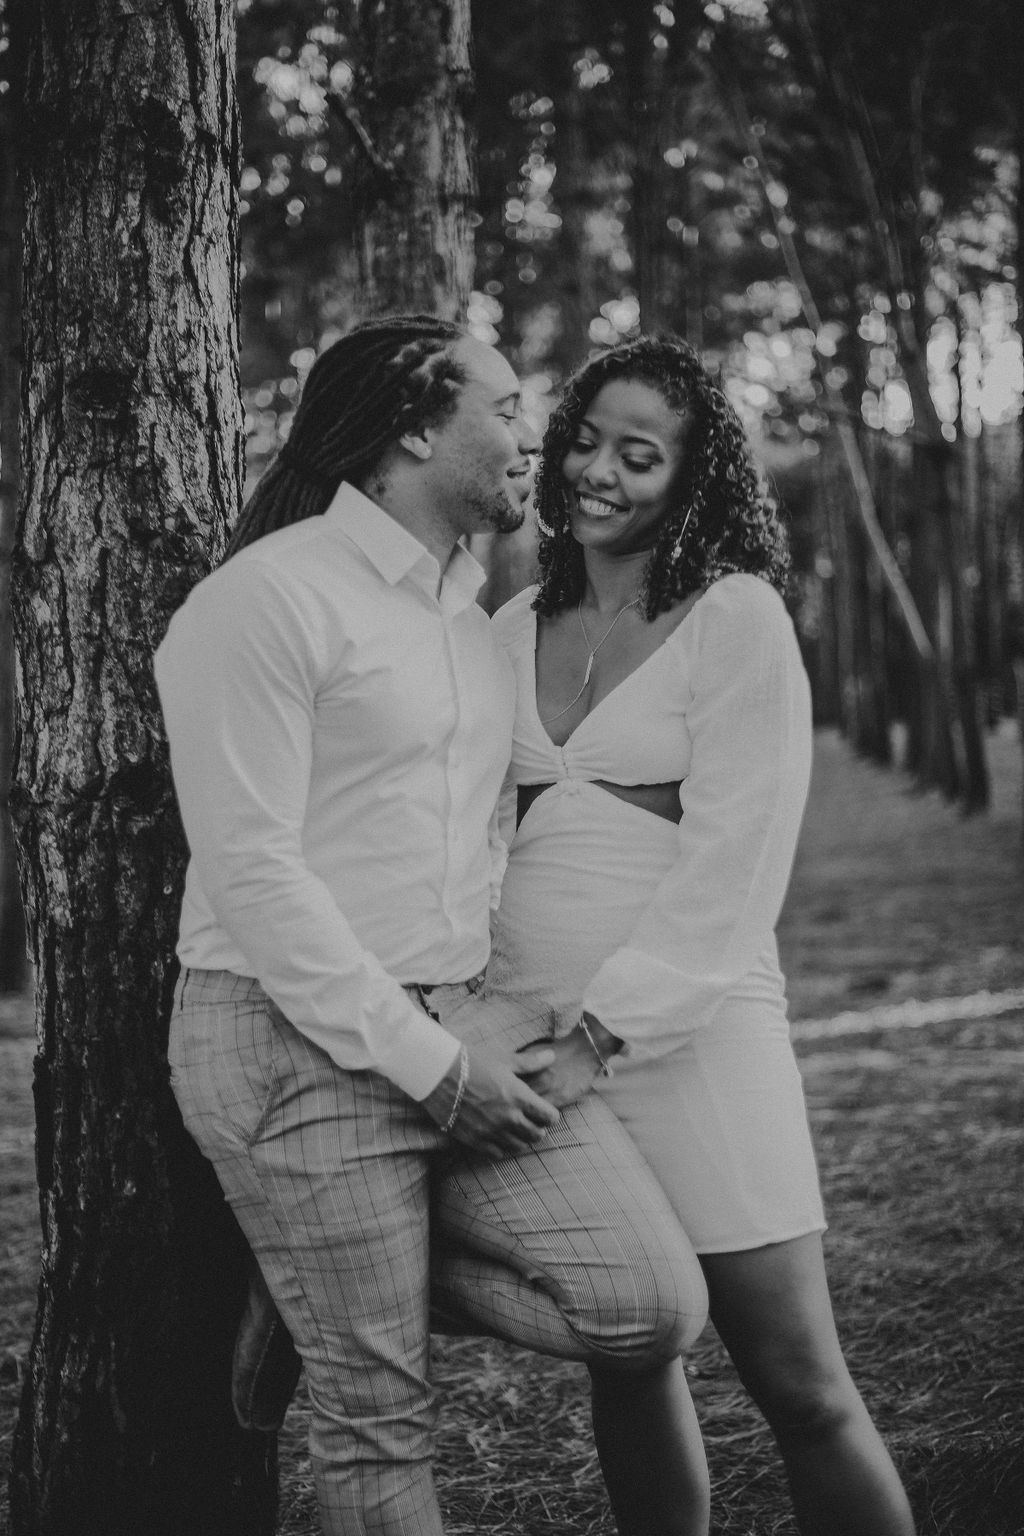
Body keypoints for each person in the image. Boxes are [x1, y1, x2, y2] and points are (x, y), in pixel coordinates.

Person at [154, 315, 709, 1536]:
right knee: (379, 1419)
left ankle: (302, 1272)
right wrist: (429, 1065)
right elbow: (251, 871)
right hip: (292, 1038)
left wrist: (470, 1029)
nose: (534, 438)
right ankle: (325, 1269)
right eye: (504, 409)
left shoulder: (464, 608)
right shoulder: (265, 599)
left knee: (649, 1308)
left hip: (456, 1020)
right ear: (413, 426)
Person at [487, 334, 917, 1536]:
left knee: (800, 1385)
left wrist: (600, 1038)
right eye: (585, 442)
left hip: (689, 1042)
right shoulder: (508, 624)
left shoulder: (733, 617)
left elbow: (736, 865)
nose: (598, 473)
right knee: (629, 1356)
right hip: (537, 1044)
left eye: (639, 456)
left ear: (691, 478)